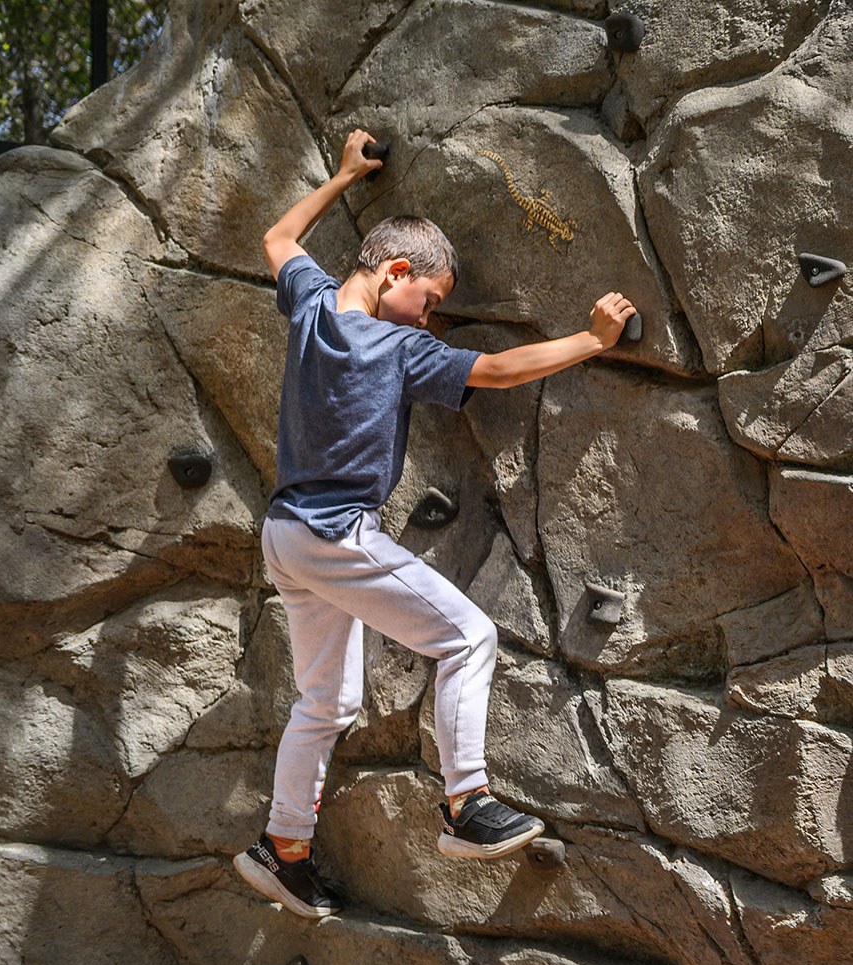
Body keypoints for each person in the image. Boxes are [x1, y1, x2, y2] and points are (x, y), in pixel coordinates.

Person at [233, 129, 636, 918]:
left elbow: (278, 237)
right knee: (469, 637)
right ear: (394, 274)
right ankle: (465, 805)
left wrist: (345, 176)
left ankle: (282, 848)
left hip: (285, 535)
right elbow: (494, 371)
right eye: (433, 299)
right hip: (334, 534)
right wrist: (592, 338)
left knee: (326, 703)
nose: (431, 319)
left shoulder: (313, 304)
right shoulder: (390, 347)